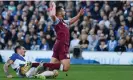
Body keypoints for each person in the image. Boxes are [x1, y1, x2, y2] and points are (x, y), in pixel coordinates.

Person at [36, 2, 84, 72]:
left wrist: (79, 15)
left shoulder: (63, 22)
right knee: (65, 68)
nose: (65, 12)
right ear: (59, 12)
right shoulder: (57, 21)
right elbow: (52, 14)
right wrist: (54, 5)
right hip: (62, 45)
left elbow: (71, 21)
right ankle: (43, 65)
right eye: (63, 10)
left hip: (59, 45)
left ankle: (38, 69)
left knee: (51, 69)